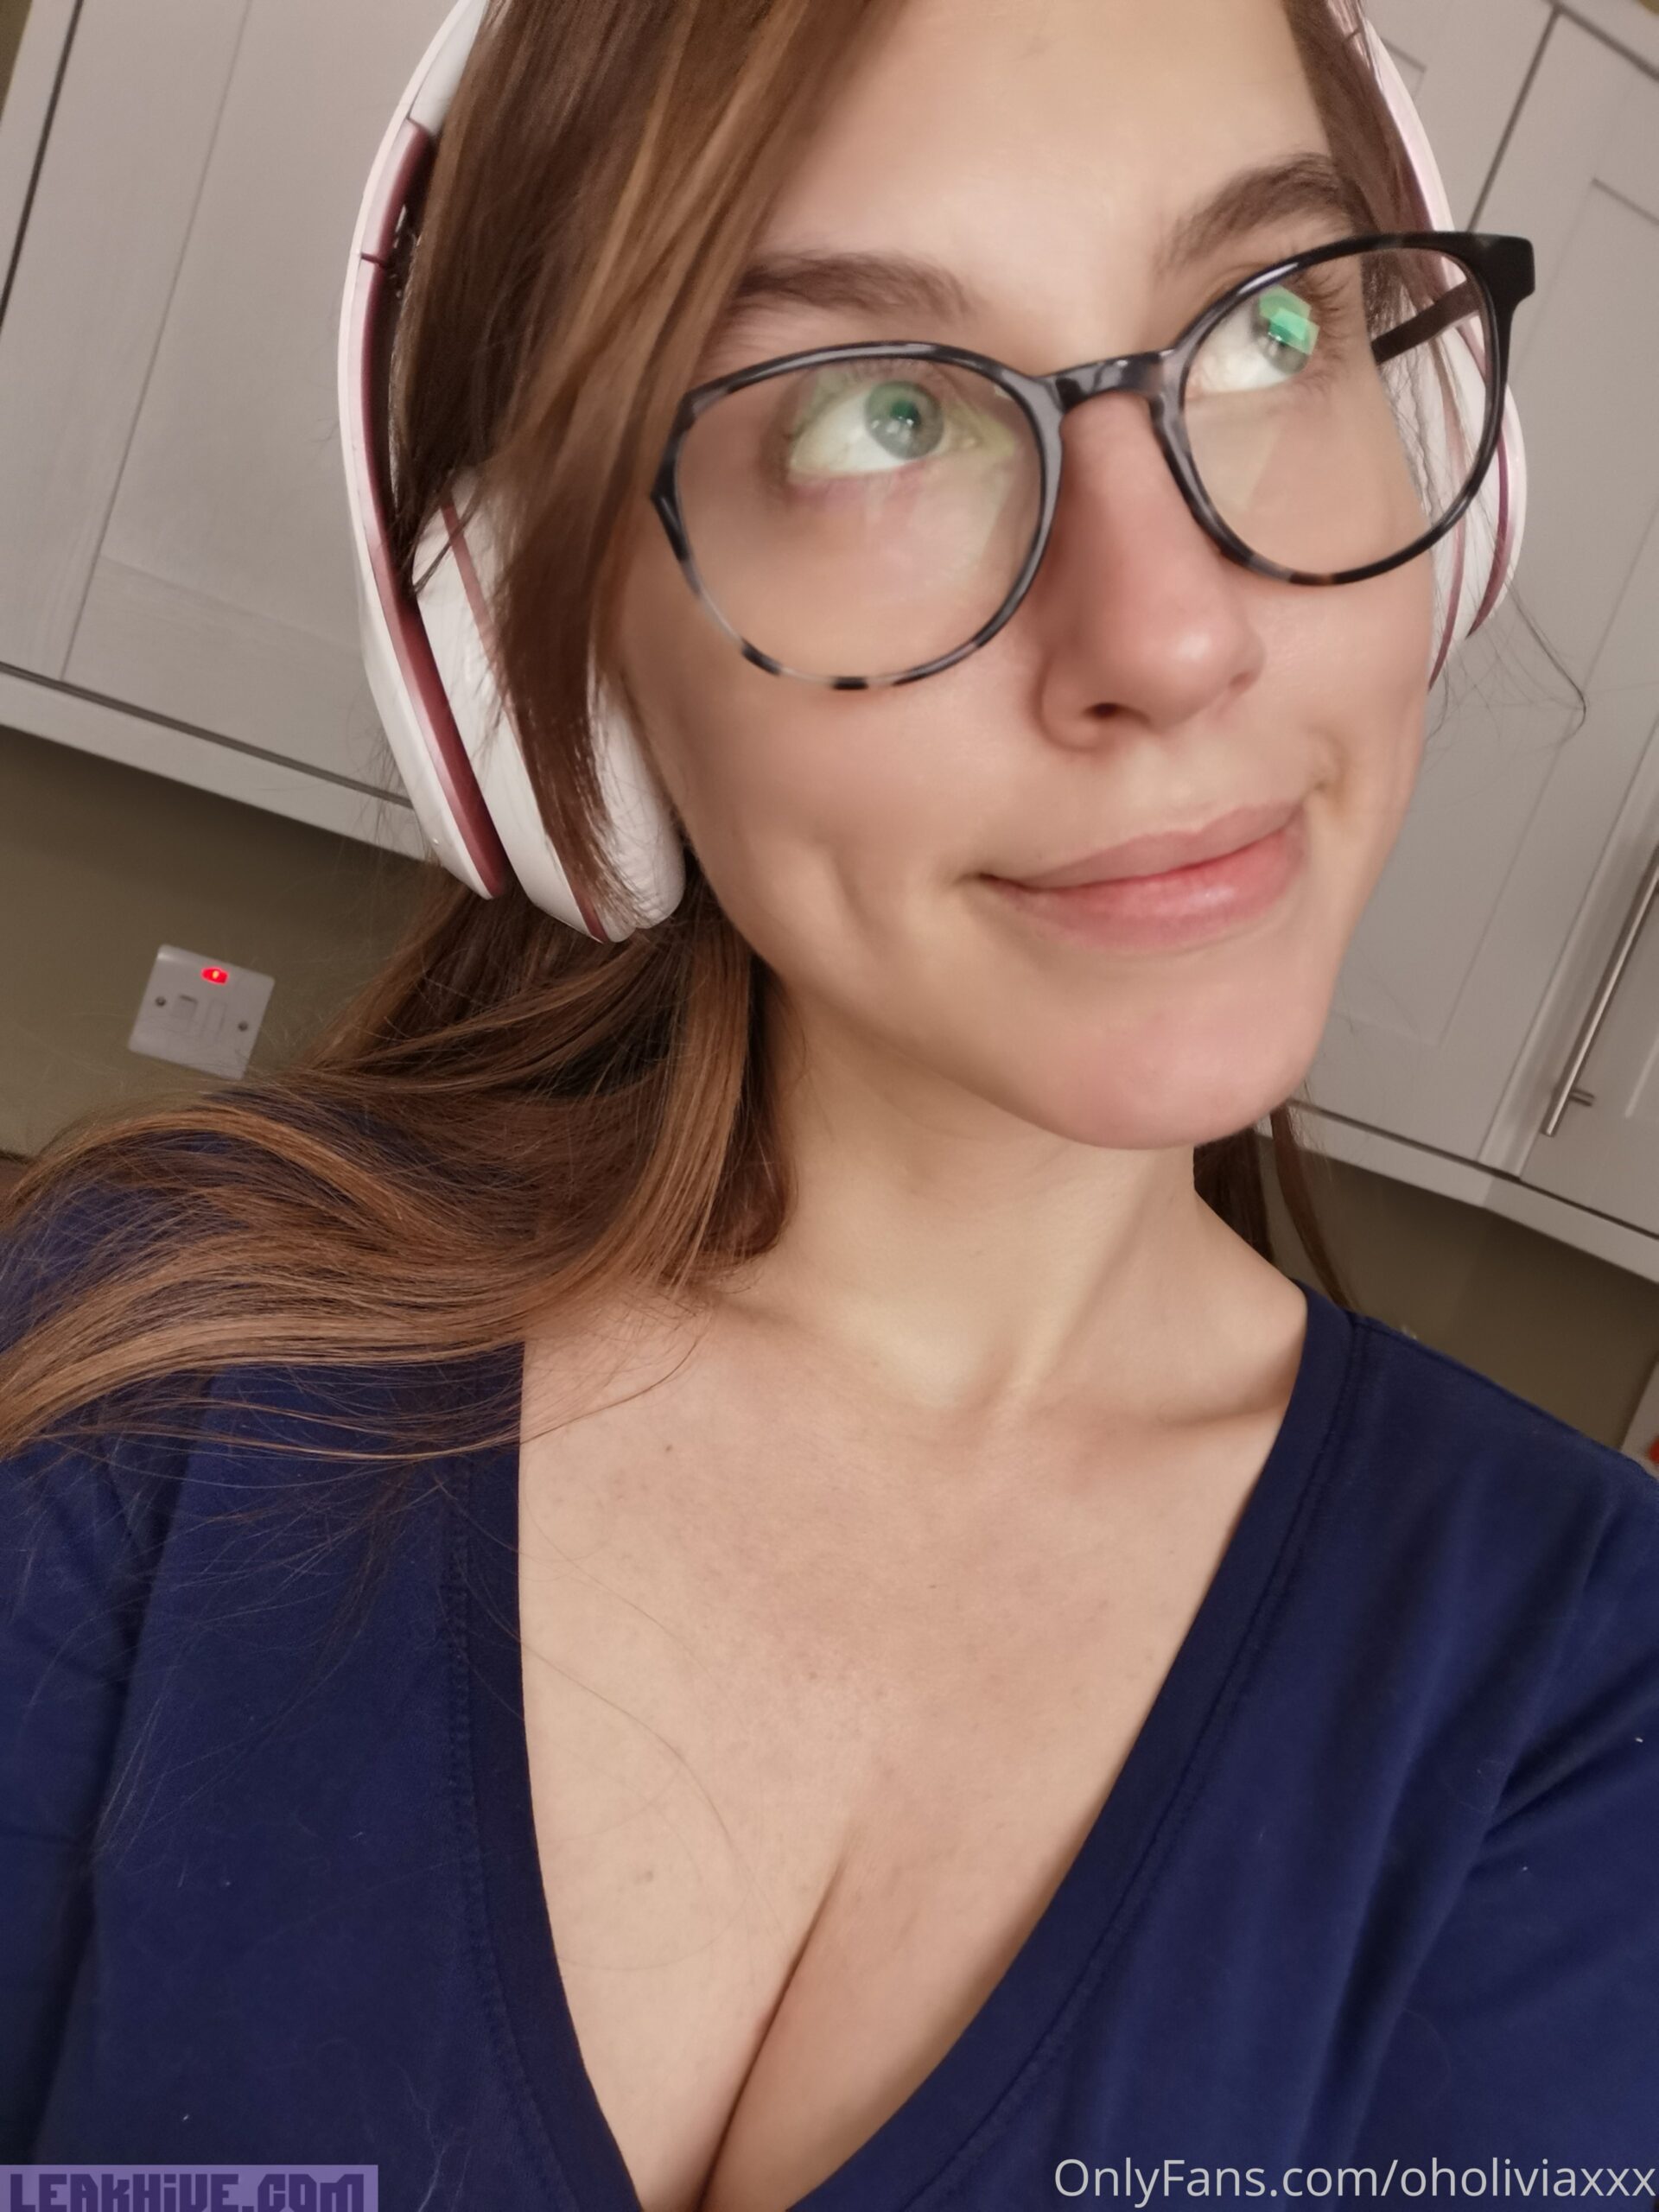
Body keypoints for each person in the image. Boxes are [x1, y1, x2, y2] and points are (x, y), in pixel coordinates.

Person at [2, 0, 1655, 2202]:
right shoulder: (154, 1369)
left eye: (1274, 327)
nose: (1170, 637)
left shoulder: (1591, 1684)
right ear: (533, 647)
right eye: (883, 412)